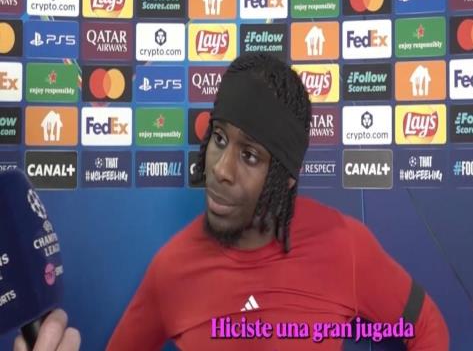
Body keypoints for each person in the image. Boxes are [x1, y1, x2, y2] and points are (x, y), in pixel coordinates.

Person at [14, 54, 449, 350]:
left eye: (250, 156)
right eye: (219, 139)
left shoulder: (345, 245)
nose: (221, 169)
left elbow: (427, 326)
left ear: (285, 178)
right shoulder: (172, 269)